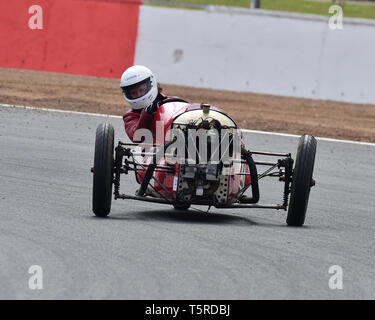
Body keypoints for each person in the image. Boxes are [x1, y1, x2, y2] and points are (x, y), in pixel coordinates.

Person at [121, 65, 168, 142]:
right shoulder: (130, 116)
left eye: (142, 90)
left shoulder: (172, 101)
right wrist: (146, 115)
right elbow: (137, 137)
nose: (139, 95)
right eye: (134, 93)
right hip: (155, 150)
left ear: (152, 84)